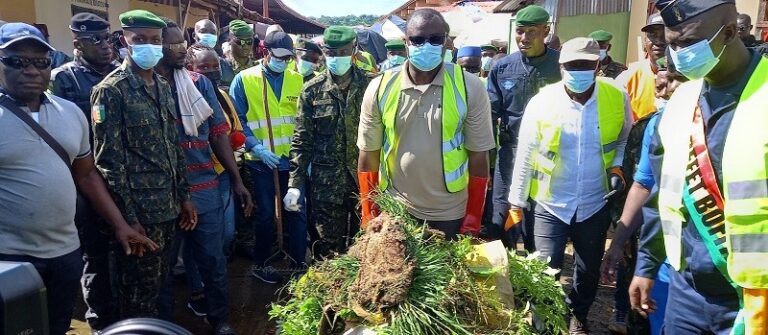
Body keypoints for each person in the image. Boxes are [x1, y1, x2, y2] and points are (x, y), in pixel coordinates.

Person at [0, 22, 156, 335]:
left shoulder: (70, 112)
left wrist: (120, 225)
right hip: (10, 260)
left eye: (40, 62)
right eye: (17, 61)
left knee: (57, 326)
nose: (31, 70)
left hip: (66, 253)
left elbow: (86, 177)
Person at [630, 0, 768, 333]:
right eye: (673, 43)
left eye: (689, 43)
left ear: (730, 32)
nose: (678, 54)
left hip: (752, 297)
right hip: (687, 291)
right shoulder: (681, 102)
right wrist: (646, 265)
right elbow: (664, 193)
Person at [507, 37, 632, 334]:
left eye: (586, 65)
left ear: (597, 66)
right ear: (561, 67)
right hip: (551, 202)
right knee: (545, 270)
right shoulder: (542, 102)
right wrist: (516, 203)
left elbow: (624, 136)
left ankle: (578, 315)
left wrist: (616, 164)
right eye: (572, 65)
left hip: (594, 200)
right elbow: (525, 153)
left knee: (588, 271)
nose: (579, 71)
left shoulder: (616, 96)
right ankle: (544, 323)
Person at [90, 9, 197, 318]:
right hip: (140, 216)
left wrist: (185, 196)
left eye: (155, 40)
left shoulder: (162, 87)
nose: (149, 46)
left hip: (168, 209)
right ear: (125, 40)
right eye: (140, 40)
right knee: (136, 296)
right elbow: (109, 163)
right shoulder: (111, 91)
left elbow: (173, 148)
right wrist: (127, 218)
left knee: (160, 287)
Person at [357, 9, 494, 239]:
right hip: (395, 208)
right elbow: (368, 154)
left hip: (449, 212)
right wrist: (369, 213)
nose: (426, 45)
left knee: (448, 275)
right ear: (406, 42)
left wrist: (472, 220)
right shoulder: (380, 87)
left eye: (435, 39)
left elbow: (479, 156)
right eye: (418, 40)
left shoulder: (469, 87)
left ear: (446, 42)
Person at [154, 19, 251, 334]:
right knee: (163, 269)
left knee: (214, 260)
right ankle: (165, 324)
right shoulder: (139, 88)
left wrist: (236, 180)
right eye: (171, 45)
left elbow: (219, 135)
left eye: (181, 43)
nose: (179, 50)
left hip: (204, 188)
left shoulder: (199, 84)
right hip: (161, 195)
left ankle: (219, 319)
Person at [601, 55, 688, 335]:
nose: (668, 90)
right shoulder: (657, 125)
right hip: (664, 250)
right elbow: (642, 184)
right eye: (665, 80)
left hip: (722, 260)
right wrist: (618, 242)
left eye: (678, 80)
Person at [48, 13, 121, 332]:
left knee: (124, 248)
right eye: (97, 40)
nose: (106, 46)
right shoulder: (63, 79)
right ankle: (100, 319)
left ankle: (124, 311)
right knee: (94, 252)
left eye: (109, 39)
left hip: (120, 178)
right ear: (77, 44)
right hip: (84, 180)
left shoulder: (120, 75)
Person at [284, 26, 372, 259]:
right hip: (326, 186)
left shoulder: (372, 86)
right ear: (324, 53)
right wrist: (295, 183)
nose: (337, 58)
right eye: (331, 53)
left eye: (343, 52)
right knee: (325, 252)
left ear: (354, 51)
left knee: (364, 248)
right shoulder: (312, 90)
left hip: (363, 182)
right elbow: (302, 140)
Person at [230, 31, 306, 283]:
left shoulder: (298, 79)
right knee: (264, 215)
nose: (283, 62)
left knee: (295, 211)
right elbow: (237, 121)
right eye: (278, 57)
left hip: (292, 161)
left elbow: (302, 121)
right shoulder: (244, 79)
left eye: (288, 58)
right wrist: (256, 147)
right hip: (262, 162)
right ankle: (261, 263)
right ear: (265, 52)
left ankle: (297, 264)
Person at [488, 4, 561, 250]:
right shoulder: (502, 67)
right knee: (502, 219)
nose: (524, 38)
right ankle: (505, 280)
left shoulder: (560, 66)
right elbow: (490, 113)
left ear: (546, 31)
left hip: (546, 158)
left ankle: (535, 284)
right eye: (520, 31)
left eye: (532, 31)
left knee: (537, 223)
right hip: (509, 154)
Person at [616, 13, 668, 121]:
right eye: (653, 35)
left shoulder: (687, 77)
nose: (659, 41)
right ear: (645, 42)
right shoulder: (628, 78)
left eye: (665, 35)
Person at [221, 20, 256, 87]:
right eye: (240, 42)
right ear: (230, 41)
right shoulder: (222, 67)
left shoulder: (256, 66)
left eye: (249, 42)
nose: (245, 46)